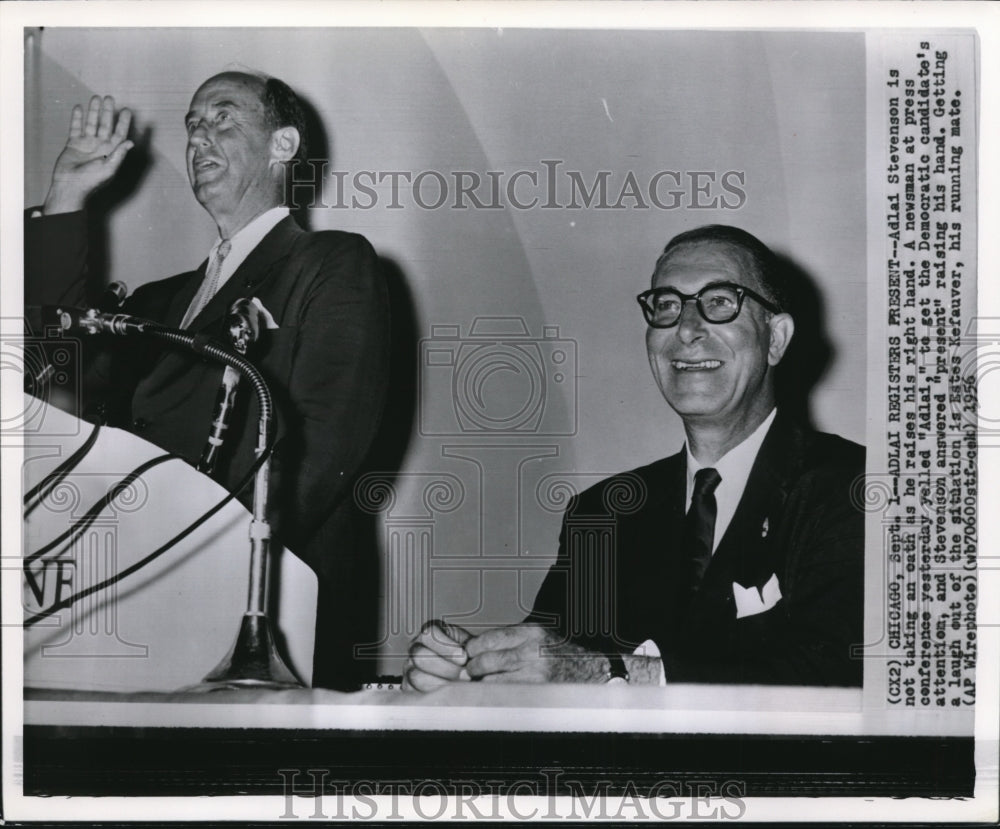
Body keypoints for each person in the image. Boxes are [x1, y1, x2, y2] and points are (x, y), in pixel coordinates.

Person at [24, 73, 390, 690]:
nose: (199, 136)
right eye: (193, 124)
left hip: (259, 606)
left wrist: (200, 565)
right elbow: (50, 387)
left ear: (283, 145)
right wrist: (66, 198)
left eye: (223, 118)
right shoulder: (156, 302)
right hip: (129, 597)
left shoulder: (330, 262)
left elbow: (322, 444)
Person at [404, 225, 864, 690]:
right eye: (666, 305)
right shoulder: (603, 511)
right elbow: (552, 663)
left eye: (720, 301)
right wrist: (469, 669)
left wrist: (619, 673)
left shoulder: (852, 488)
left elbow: (844, 677)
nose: (686, 329)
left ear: (777, 339)